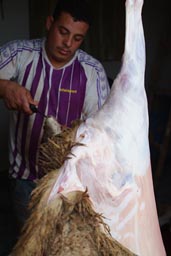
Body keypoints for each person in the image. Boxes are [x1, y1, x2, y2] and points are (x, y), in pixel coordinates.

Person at [0, 0, 110, 239]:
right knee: (31, 243)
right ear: (50, 23)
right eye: (63, 32)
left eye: (78, 38)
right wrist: (5, 86)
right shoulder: (19, 54)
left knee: (65, 243)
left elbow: (102, 131)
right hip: (25, 179)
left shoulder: (92, 71)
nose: (68, 44)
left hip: (72, 182)